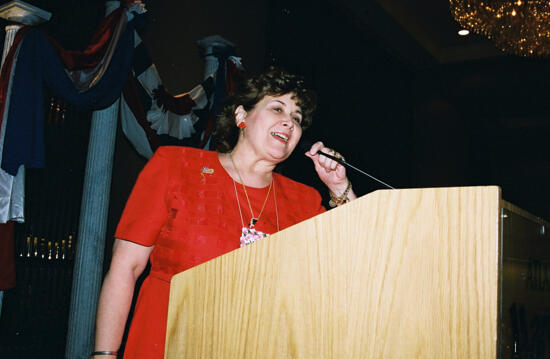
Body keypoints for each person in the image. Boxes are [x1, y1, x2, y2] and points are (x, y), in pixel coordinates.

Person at [92, 67, 357, 359]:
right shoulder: (174, 165)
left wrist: (339, 186)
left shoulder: (304, 200)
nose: (289, 122)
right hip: (164, 344)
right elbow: (125, 268)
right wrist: (104, 355)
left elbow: (348, 265)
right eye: (277, 108)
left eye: (297, 118)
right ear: (241, 116)